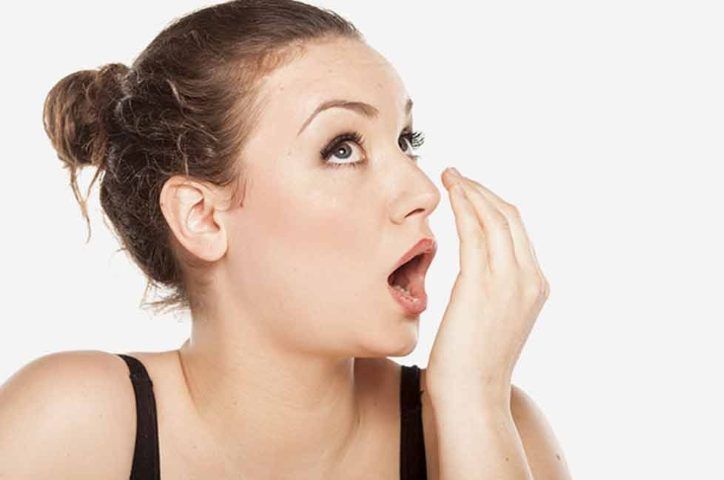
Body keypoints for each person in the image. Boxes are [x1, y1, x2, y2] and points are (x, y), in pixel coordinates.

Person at [0, 1, 571, 478]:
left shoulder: (497, 426)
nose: (422, 192)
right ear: (202, 217)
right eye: (341, 148)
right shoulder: (71, 426)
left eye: (405, 140)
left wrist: (473, 400)